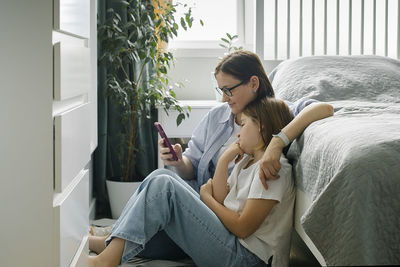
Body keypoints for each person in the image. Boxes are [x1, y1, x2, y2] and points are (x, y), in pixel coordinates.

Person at [89, 97, 296, 267]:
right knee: (161, 176)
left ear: (262, 127)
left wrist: (206, 198)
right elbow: (223, 201)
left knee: (164, 187)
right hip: (234, 245)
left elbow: (242, 228)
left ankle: (107, 260)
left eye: (243, 124)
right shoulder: (247, 162)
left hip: (249, 259)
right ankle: (112, 246)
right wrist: (224, 161)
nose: (239, 132)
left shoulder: (273, 170)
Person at [160, 50, 333, 191]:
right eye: (221, 90)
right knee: (160, 180)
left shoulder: (279, 112)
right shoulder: (216, 116)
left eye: (228, 90)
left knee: (160, 184)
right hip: (205, 199)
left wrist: (277, 142)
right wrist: (180, 162)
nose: (224, 99)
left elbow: (324, 108)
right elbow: (193, 167)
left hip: (224, 208)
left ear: (253, 83)